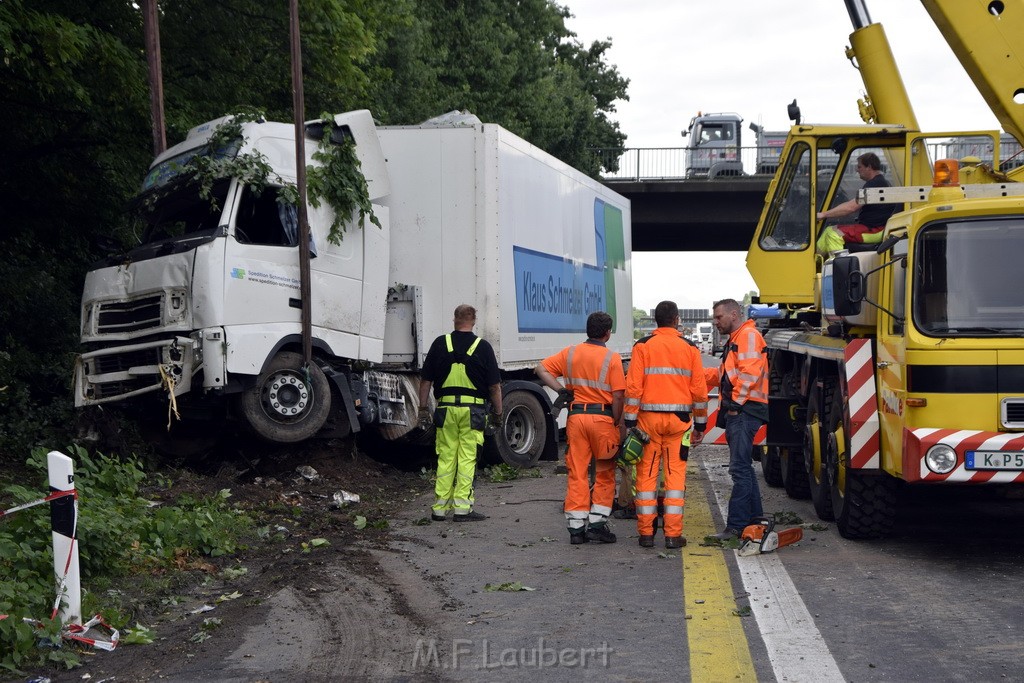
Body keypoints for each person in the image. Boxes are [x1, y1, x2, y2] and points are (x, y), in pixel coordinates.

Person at [535, 311, 626, 545]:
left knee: (577, 472)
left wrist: (561, 390)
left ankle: (576, 529)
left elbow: (541, 369)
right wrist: (617, 421)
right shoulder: (612, 358)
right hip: (603, 419)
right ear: (607, 333)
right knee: (605, 472)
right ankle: (597, 524)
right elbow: (618, 396)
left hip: (576, 418)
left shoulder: (570, 353)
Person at [624, 301, 709, 549]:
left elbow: (633, 387)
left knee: (647, 476)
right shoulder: (689, 348)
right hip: (679, 422)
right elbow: (699, 391)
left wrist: (630, 420)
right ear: (676, 319)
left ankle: (646, 534)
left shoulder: (642, 346)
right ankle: (673, 535)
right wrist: (701, 425)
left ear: (655, 321)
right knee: (675, 477)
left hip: (647, 423)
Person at [418, 304, 502, 522]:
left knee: (446, 457)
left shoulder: (440, 343)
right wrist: (498, 414)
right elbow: (494, 387)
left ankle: (439, 508)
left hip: (445, 410)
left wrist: (423, 409)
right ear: (474, 321)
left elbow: (426, 380)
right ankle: (463, 509)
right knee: (467, 458)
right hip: (472, 412)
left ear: (454, 319)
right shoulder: (482, 347)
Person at [704, 298, 769, 540]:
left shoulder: (748, 335)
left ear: (734, 314)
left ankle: (736, 527)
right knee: (745, 469)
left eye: (719, 317)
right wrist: (689, 372)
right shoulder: (738, 338)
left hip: (744, 411)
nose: (715, 322)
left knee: (739, 470)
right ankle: (756, 520)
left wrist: (735, 405)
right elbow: (723, 376)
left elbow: (749, 374)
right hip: (744, 410)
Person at [815, 152, 898, 253]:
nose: (856, 170)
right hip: (875, 228)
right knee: (828, 230)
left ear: (869, 167)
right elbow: (853, 202)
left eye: (859, 167)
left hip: (875, 230)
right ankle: (812, 261)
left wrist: (824, 214)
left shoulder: (874, 184)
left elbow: (851, 207)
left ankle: (838, 266)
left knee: (834, 234)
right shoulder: (879, 182)